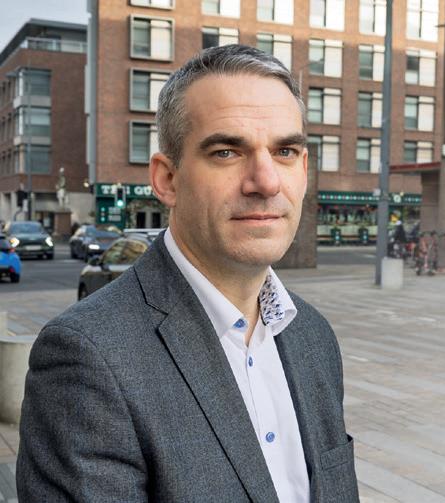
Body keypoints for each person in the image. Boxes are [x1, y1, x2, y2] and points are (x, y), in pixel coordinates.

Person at [16, 45, 359, 502]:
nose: (266, 181)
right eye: (226, 151)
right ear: (167, 179)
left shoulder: (314, 336)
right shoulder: (87, 357)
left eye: (285, 151)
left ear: (304, 169)